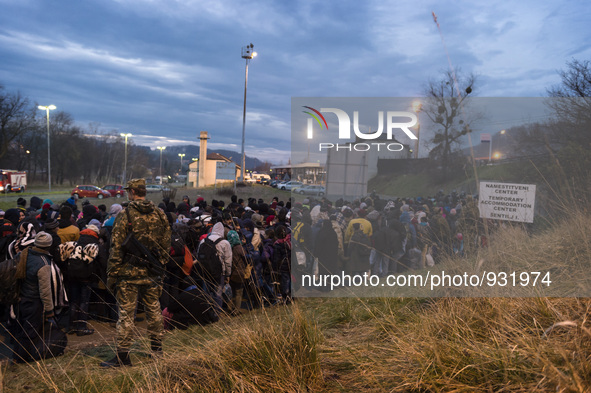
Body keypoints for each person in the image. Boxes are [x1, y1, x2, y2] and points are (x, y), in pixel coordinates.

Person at [100, 178, 171, 368]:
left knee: (126, 316)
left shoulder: (125, 215)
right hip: (152, 273)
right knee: (154, 311)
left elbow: (116, 248)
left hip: (128, 275)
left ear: (132, 192)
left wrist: (112, 275)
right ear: (144, 192)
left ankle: (123, 358)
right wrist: (159, 265)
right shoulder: (160, 214)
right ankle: (157, 351)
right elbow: (166, 245)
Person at [10, 232, 68, 363]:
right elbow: (45, 291)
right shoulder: (44, 263)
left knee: (23, 329)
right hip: (34, 302)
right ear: (49, 245)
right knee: (30, 332)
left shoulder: (24, 254)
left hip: (21, 299)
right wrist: (49, 310)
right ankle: (20, 359)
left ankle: (19, 356)